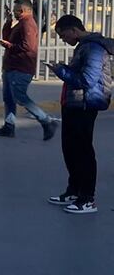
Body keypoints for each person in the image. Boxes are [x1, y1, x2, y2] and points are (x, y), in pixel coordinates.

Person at [46, 16, 114, 214]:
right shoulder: (84, 46)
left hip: (85, 104)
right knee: (70, 149)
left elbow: (87, 80)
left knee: (82, 151)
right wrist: (64, 69)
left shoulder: (93, 48)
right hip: (73, 103)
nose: (62, 39)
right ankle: (74, 190)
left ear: (74, 30)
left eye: (63, 35)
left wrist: (61, 71)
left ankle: (87, 198)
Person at [0, 0, 58, 140]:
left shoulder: (28, 24)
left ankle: (46, 121)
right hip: (11, 66)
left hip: (21, 68)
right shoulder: (20, 23)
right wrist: (8, 22)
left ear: (23, 11)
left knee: (20, 97)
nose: (14, 13)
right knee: (9, 98)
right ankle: (9, 127)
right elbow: (8, 37)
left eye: (16, 10)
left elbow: (28, 47)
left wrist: (9, 45)